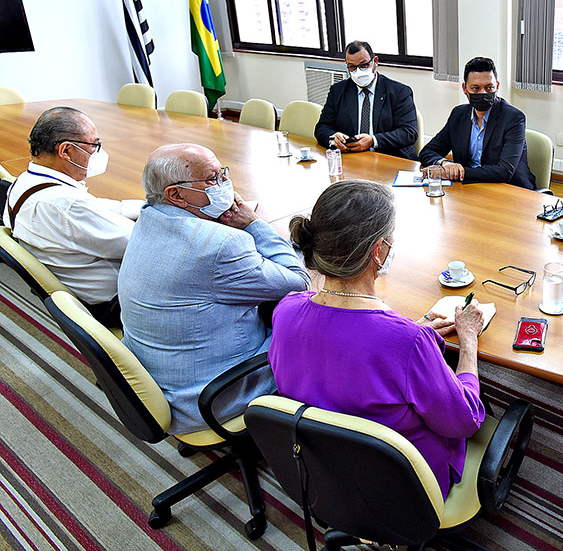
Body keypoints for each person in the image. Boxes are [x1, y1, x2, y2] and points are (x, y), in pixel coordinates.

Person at [268, 179, 486, 498]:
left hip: (325, 471)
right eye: (391, 240)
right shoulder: (408, 342)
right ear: (378, 251)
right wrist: (468, 340)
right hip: (405, 485)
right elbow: (466, 420)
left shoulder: (286, 310)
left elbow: (345, 346)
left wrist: (408, 331)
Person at [119, 143, 309, 434]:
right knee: (318, 330)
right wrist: (255, 224)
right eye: (212, 179)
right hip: (211, 396)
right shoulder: (220, 244)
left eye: (223, 174)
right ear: (176, 195)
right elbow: (297, 281)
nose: (226, 186)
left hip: (159, 380)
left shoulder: (149, 216)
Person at [2, 107, 140, 326]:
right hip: (120, 304)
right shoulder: (66, 205)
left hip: (81, 289)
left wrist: (144, 207)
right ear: (66, 151)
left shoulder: (24, 182)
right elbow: (144, 246)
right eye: (94, 145)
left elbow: (93, 209)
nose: (97, 153)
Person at [418, 56, 536, 190]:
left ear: (497, 86)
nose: (483, 93)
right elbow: (427, 151)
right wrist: (444, 164)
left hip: (510, 190)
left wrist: (459, 172)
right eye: (475, 88)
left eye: (489, 87)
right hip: (469, 188)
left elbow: (505, 171)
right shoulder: (459, 114)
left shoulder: (513, 118)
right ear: (464, 88)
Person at [314, 40, 418, 159]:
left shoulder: (399, 92)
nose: (358, 72)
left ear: (375, 62)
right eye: (352, 67)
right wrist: (333, 138)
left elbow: (409, 133)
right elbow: (321, 128)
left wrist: (373, 140)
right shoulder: (337, 91)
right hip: (352, 159)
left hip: (389, 157)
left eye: (364, 65)